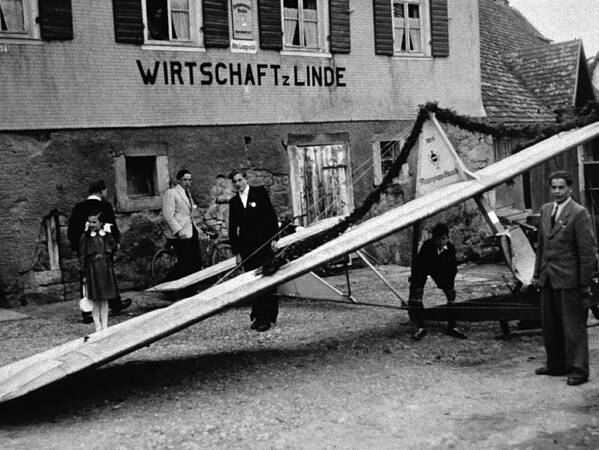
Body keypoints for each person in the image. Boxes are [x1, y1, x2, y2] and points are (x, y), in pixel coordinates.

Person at [532, 170, 597, 386]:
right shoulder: (545, 210)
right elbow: (541, 246)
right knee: (550, 324)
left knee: (573, 326)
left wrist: (585, 284)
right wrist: (536, 275)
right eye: (554, 187)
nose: (557, 191)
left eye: (561, 187)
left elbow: (587, 252)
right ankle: (556, 364)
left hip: (570, 279)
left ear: (569, 188)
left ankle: (579, 368)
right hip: (548, 277)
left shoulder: (579, 214)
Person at [68, 180, 131, 323]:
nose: (106, 193)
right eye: (105, 191)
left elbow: (72, 230)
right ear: (101, 191)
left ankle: (87, 311)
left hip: (84, 248)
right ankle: (115, 303)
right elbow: (111, 227)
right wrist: (115, 243)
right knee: (107, 275)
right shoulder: (105, 206)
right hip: (102, 247)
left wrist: (76, 247)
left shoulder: (79, 207)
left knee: (86, 278)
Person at [228, 169, 279, 332]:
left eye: (240, 180)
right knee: (252, 281)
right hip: (246, 248)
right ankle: (257, 315)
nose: (238, 184)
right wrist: (236, 252)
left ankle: (267, 317)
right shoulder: (234, 202)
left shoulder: (259, 193)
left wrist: (274, 239)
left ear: (246, 179)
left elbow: (271, 216)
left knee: (266, 279)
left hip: (263, 243)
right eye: (234, 181)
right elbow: (232, 228)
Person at [408, 223, 467, 341]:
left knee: (451, 294)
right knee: (417, 294)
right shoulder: (427, 246)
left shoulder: (450, 249)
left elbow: (452, 269)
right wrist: (416, 281)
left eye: (444, 238)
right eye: (438, 239)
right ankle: (420, 327)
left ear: (447, 238)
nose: (441, 242)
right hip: (424, 269)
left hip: (441, 271)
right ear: (433, 238)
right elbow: (420, 266)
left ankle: (452, 326)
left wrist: (448, 285)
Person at [79, 210, 120, 332]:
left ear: (101, 223)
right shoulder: (86, 237)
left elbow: (114, 248)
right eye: (90, 222)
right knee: (95, 299)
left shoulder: (105, 236)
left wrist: (109, 234)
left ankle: (105, 326)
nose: (92, 224)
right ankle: (97, 326)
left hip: (105, 269)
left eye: (94, 222)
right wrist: (83, 273)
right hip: (93, 270)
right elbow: (82, 255)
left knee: (105, 299)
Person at [162, 169, 203, 280]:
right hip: (180, 233)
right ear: (179, 180)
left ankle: (190, 287)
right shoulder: (172, 193)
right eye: (184, 180)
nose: (187, 182)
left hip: (191, 231)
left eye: (189, 180)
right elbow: (168, 215)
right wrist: (178, 231)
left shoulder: (188, 194)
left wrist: (199, 226)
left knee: (195, 261)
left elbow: (190, 213)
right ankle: (168, 284)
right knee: (185, 262)